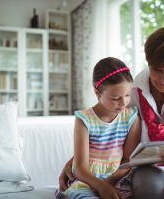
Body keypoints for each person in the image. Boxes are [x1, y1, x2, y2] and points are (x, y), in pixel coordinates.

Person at [59, 27, 164, 199]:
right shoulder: (128, 94)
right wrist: (75, 164)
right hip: (147, 169)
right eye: (157, 69)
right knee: (151, 188)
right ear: (148, 61)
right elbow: (105, 133)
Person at [55, 57, 141, 199]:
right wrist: (101, 186)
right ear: (97, 93)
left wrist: (110, 182)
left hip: (118, 178)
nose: (123, 102)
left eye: (127, 95)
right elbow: (81, 168)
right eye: (115, 98)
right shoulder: (84, 119)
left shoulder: (131, 118)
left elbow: (128, 160)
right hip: (87, 180)